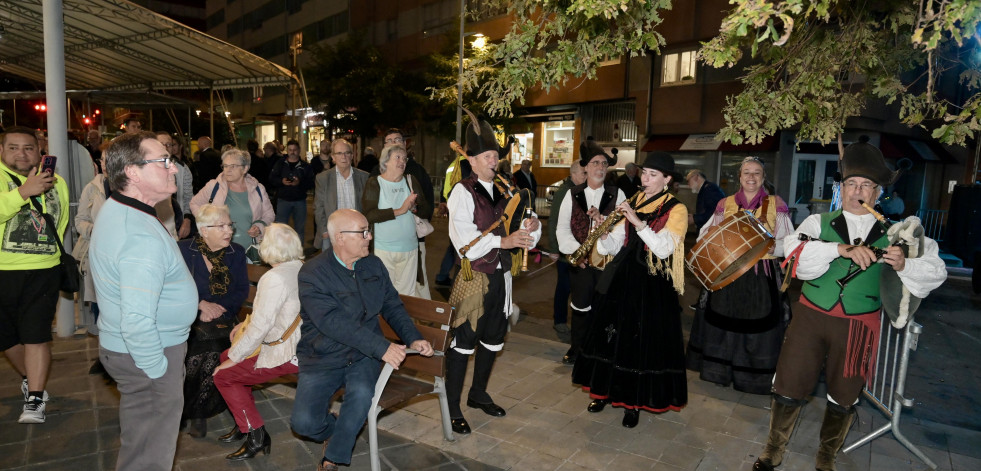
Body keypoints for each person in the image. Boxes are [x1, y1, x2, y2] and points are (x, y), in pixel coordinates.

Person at [752, 139, 947, 471]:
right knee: (789, 383)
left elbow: (937, 271)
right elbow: (792, 252)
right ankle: (773, 449)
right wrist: (837, 249)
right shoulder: (818, 223)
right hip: (811, 318)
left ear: (877, 193)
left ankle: (826, 456)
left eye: (867, 185)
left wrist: (904, 265)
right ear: (842, 189)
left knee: (844, 393)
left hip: (859, 324)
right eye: (852, 184)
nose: (859, 191)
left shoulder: (897, 233)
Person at [292, 209, 434, 471]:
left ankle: (333, 457)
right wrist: (382, 347)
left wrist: (413, 337)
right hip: (323, 354)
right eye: (362, 232)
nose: (369, 236)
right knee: (303, 424)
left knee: (360, 395)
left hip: (363, 356)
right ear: (340, 237)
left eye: (368, 230)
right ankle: (337, 429)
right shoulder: (313, 273)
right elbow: (331, 322)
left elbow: (392, 304)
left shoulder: (373, 265)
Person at [89, 131, 198, 470]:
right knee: (150, 455)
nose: (174, 168)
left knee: (141, 445)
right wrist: (157, 372)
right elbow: (137, 320)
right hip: (147, 353)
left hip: (134, 349)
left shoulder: (123, 208)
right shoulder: (137, 233)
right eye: (163, 161)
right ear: (133, 173)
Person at [571, 151, 689, 428]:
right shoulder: (633, 200)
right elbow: (615, 245)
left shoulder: (677, 209)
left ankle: (633, 402)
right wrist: (602, 228)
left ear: (667, 179)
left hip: (652, 283)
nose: (645, 179)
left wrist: (637, 222)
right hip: (622, 277)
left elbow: (664, 249)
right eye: (644, 173)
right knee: (609, 337)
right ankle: (604, 392)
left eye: (652, 175)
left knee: (639, 343)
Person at [444, 111, 541, 434]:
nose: (493, 161)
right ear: (471, 160)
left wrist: (532, 227)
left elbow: (522, 229)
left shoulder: (506, 189)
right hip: (475, 279)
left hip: (502, 278)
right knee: (464, 342)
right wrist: (505, 240)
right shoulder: (462, 192)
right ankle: (453, 405)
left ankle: (478, 393)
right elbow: (465, 245)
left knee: (492, 339)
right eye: (487, 156)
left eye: (495, 156)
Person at [685, 157, 795, 394]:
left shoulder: (776, 204)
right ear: (740, 177)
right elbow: (706, 235)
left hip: (760, 275)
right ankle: (722, 372)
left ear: (763, 178)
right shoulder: (725, 204)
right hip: (728, 274)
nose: (752, 178)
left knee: (759, 326)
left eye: (757, 173)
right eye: (747, 173)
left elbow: (789, 242)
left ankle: (752, 379)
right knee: (724, 321)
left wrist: (763, 247)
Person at [212, 223, 304, 460]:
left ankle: (256, 435)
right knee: (225, 358)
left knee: (223, 374)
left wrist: (235, 357)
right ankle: (245, 420)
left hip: (288, 353)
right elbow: (270, 319)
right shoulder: (300, 268)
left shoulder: (273, 277)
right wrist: (239, 338)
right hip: (298, 343)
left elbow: (262, 325)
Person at [0, 126, 69, 424]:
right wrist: (22, 193)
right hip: (3, 271)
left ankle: (35, 398)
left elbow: (60, 218)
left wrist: (50, 254)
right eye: (13, 147)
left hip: (43, 270)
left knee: (36, 335)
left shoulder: (57, 181)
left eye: (28, 147)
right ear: (2, 150)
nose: (21, 153)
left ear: (39, 150)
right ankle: (32, 377)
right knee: (7, 339)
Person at [178, 204, 249, 438]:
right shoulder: (184, 250)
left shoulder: (236, 252)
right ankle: (184, 408)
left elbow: (240, 291)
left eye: (230, 225)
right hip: (189, 316)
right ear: (204, 230)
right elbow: (174, 286)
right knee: (194, 350)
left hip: (224, 319)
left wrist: (219, 310)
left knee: (213, 349)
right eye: (222, 226)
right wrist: (199, 305)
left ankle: (197, 411)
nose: (229, 230)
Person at [556, 140, 626, 364]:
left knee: (605, 309)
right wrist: (577, 253)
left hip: (608, 263)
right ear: (585, 167)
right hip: (581, 262)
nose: (601, 167)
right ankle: (577, 348)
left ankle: (602, 351)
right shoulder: (572, 193)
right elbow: (562, 228)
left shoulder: (618, 194)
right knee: (580, 308)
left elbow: (624, 229)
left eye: (604, 163)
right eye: (596, 163)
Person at [362, 144, 432, 295]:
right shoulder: (375, 183)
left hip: (410, 249)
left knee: (407, 297)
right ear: (385, 161)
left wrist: (416, 208)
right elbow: (369, 215)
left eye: (404, 158)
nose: (402, 161)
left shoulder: (410, 180)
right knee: (385, 294)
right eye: (397, 157)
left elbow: (426, 210)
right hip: (383, 250)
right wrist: (401, 210)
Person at [383, 128, 435, 298]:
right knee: (390, 284)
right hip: (386, 243)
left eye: (397, 140)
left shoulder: (416, 171)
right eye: (389, 141)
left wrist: (415, 210)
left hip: (414, 239)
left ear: (404, 144)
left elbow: (428, 205)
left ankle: (423, 319)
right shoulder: (377, 174)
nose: (393, 144)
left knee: (419, 283)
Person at [191, 148, 275, 253]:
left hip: (248, 249)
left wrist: (259, 227)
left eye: (233, 166)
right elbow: (194, 203)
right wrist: (206, 222)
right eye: (225, 166)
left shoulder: (258, 188)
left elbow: (269, 214)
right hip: (218, 249)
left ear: (245, 169)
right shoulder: (214, 186)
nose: (228, 170)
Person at [547, 162, 587, 342]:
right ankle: (560, 321)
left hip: (577, 249)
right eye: (583, 173)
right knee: (564, 287)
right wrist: (554, 249)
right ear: (573, 174)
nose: (586, 176)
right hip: (565, 251)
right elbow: (554, 222)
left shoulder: (581, 190)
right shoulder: (565, 192)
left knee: (577, 287)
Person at [314, 138, 369, 251]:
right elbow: (318, 207)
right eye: (339, 153)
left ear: (352, 155)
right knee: (331, 267)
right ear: (333, 157)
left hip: (356, 233)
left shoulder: (364, 177)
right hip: (332, 234)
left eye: (347, 153)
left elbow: (368, 208)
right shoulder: (323, 178)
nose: (343, 156)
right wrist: (324, 231)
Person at [269, 139, 313, 244]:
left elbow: (311, 183)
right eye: (290, 150)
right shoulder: (280, 164)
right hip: (283, 200)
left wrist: (299, 183)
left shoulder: (305, 166)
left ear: (299, 150)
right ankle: (280, 253)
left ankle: (298, 254)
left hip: (300, 201)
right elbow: (271, 178)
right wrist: (282, 181)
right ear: (287, 150)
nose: (292, 152)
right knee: (280, 229)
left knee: (299, 230)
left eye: (295, 150)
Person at [156, 131, 194, 239]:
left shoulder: (182, 168)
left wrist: (187, 220)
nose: (165, 147)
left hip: (177, 224)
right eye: (161, 144)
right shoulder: (145, 169)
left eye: (169, 144)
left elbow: (188, 197)